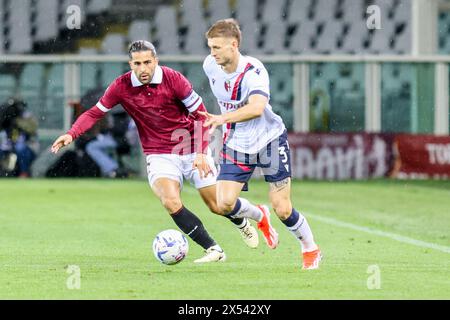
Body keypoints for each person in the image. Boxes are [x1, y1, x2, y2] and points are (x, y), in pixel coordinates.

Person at [51, 40, 261, 263]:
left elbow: (201, 115)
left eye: (147, 62)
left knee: (217, 206)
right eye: (137, 63)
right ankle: (214, 249)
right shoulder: (121, 86)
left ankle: (244, 220)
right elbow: (94, 113)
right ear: (130, 64)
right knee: (170, 201)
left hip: (190, 147)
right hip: (159, 153)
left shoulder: (173, 79)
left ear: (156, 61)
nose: (143, 69)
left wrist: (200, 152)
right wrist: (71, 134)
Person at [201, 19, 322, 269]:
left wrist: (223, 118)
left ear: (233, 45)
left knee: (283, 208)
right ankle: (259, 214)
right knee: (223, 205)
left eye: (217, 48)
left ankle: (310, 248)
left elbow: (256, 109)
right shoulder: (210, 66)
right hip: (237, 143)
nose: (212, 53)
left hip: (269, 140)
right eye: (210, 47)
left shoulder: (253, 70)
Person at [0, 98, 38, 178]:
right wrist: (5, 119)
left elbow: (32, 129)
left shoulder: (26, 116)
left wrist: (17, 121)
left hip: (27, 145)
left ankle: (24, 173)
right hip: (8, 144)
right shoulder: (5, 116)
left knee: (21, 149)